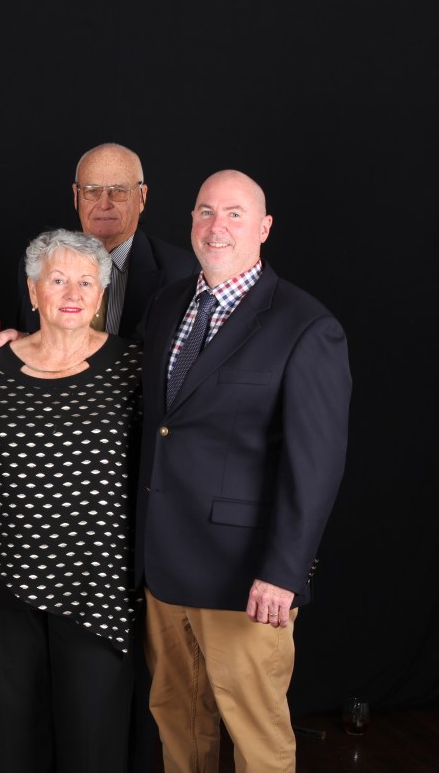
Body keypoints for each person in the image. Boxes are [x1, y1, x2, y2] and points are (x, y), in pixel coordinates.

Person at [136, 170, 350, 773]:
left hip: (245, 579)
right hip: (163, 568)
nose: (217, 226)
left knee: (256, 736)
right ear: (191, 222)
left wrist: (283, 573)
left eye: (234, 214)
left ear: (264, 228)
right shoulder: (168, 304)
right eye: (205, 211)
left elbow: (316, 466)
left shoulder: (306, 325)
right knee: (178, 723)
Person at [0, 228, 143, 772]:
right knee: (13, 744)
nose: (72, 293)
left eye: (86, 282)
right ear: (33, 292)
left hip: (98, 590)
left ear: (101, 296)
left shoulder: (134, 369)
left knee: (94, 745)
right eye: (57, 280)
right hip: (6, 587)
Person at [16, 143, 197, 338]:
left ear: (142, 197)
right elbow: (32, 337)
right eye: (92, 191)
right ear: (76, 196)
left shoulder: (184, 272)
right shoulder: (38, 263)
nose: (104, 204)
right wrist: (22, 340)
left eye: (118, 191)